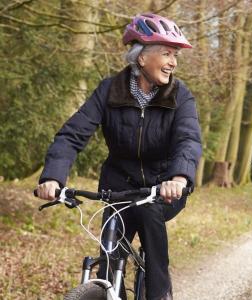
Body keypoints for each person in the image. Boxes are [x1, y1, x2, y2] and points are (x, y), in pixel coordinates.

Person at [36, 13, 202, 300]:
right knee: (111, 259)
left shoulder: (180, 95)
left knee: (150, 215)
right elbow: (72, 134)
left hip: (162, 187)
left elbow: (188, 139)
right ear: (140, 58)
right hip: (118, 185)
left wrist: (179, 176)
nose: (173, 62)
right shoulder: (109, 90)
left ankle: (159, 293)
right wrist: (52, 177)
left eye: (175, 55)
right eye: (166, 53)